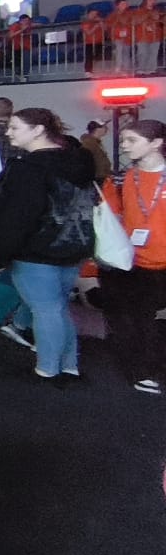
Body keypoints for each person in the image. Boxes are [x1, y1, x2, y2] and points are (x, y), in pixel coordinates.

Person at [0, 107, 95, 380]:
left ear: (38, 130)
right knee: (57, 308)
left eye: (15, 127)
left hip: (35, 252)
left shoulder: (28, 169)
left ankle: (47, 369)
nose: (8, 132)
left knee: (46, 310)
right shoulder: (79, 163)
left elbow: (16, 218)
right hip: (74, 246)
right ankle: (68, 365)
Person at [101, 120, 166, 394]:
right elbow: (109, 218)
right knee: (139, 320)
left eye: (132, 140)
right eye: (123, 140)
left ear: (156, 143)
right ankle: (144, 370)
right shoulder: (118, 180)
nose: (124, 146)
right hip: (133, 263)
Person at [137, 0, 163, 75]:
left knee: (153, 54)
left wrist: (159, 18)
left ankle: (151, 70)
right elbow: (137, 21)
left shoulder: (157, 11)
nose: (152, 1)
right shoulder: (139, 10)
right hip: (143, 36)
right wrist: (148, 15)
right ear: (145, 0)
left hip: (155, 36)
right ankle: (141, 70)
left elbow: (161, 22)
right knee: (143, 53)